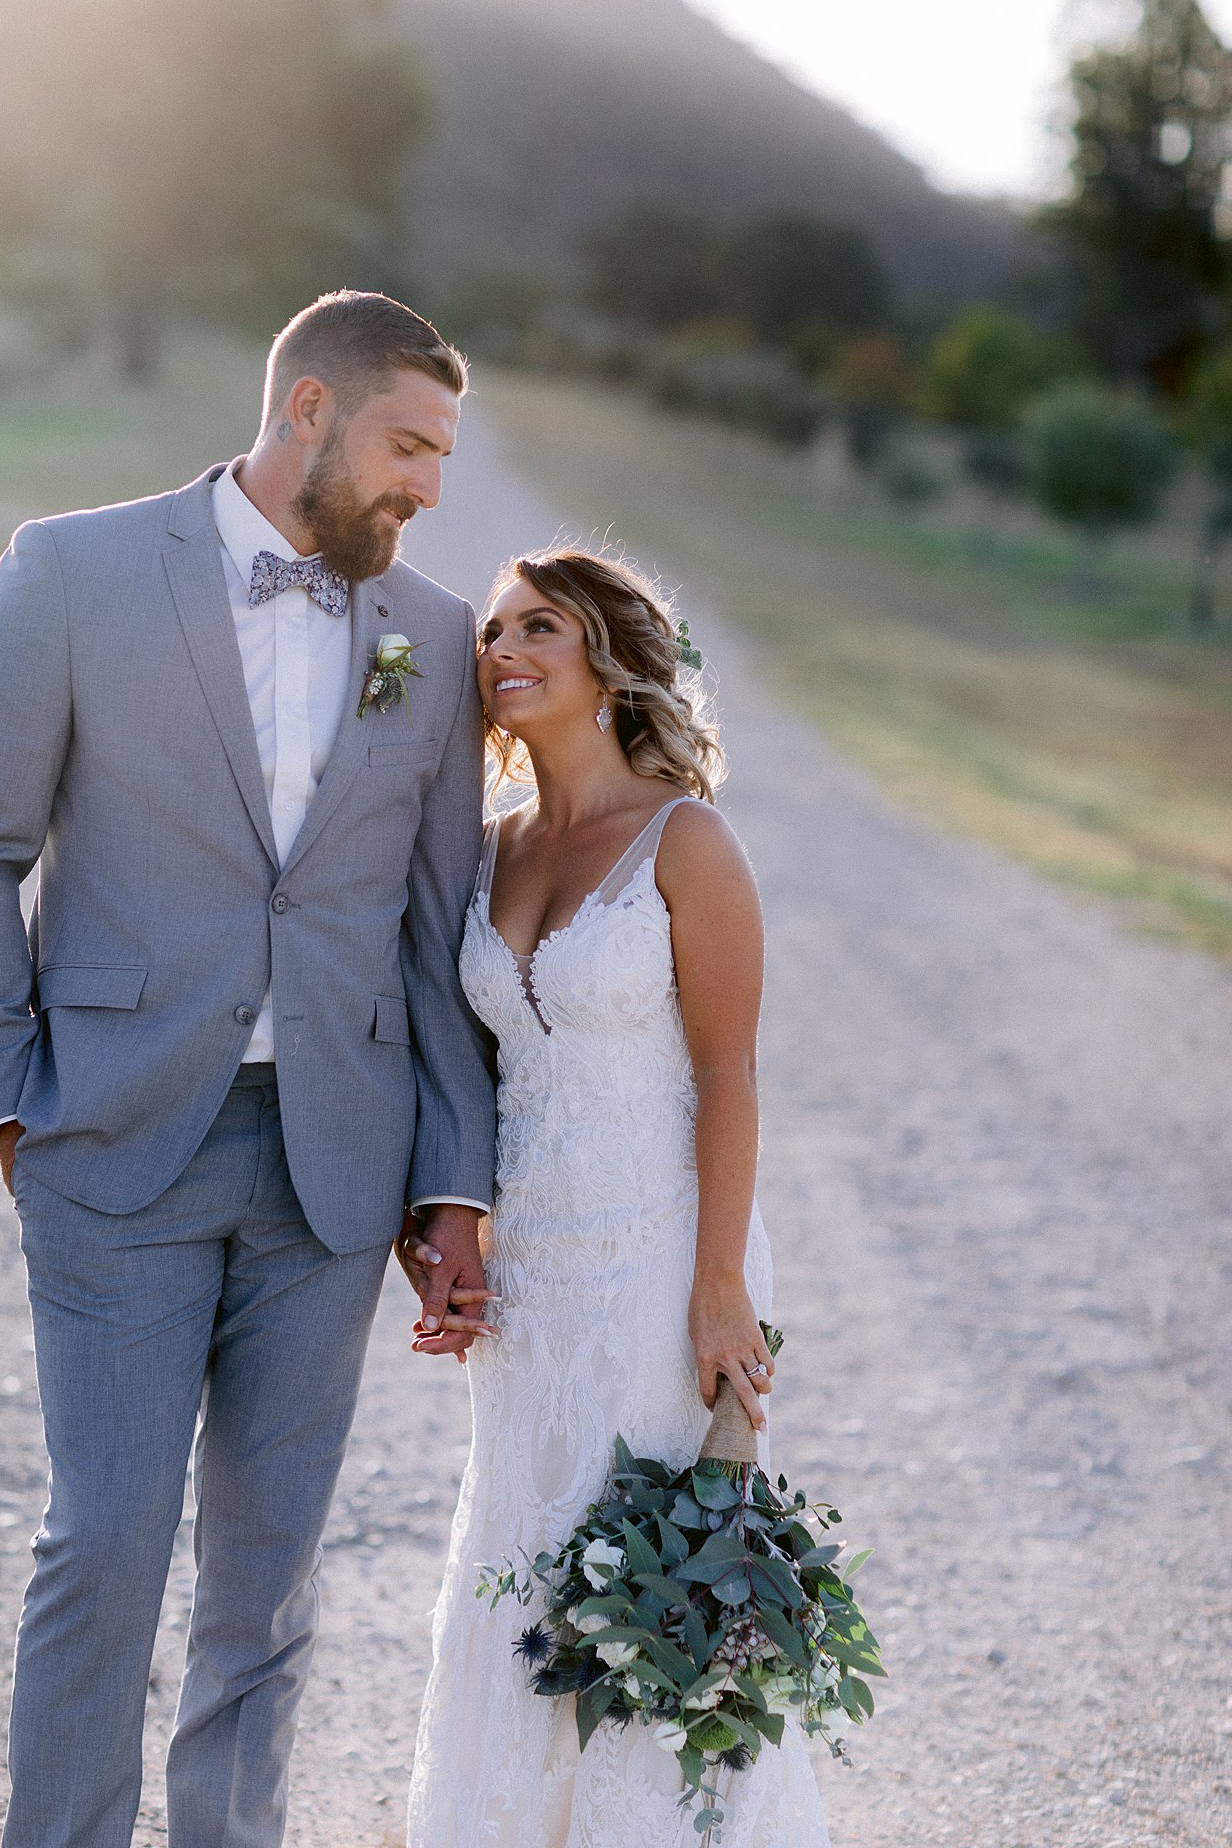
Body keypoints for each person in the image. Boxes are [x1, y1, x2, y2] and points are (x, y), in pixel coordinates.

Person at [0, 290, 496, 1848]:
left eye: (443, 455)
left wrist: (451, 1179)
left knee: (271, 1576)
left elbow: (437, 926)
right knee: (102, 1547)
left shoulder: (428, 638)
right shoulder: (74, 571)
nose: (429, 486)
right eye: (408, 445)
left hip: (332, 1167)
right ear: (304, 410)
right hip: (113, 1139)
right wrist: (7, 1088)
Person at [405, 549, 830, 1848]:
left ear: (608, 661)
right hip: (529, 1272)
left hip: (660, 1264)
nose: (503, 649)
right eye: (492, 632)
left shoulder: (684, 840)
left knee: (652, 1564)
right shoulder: (480, 851)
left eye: (540, 625)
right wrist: (446, 1231)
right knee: (522, 1554)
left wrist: (720, 1290)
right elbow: (453, 1074)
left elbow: (729, 1076)